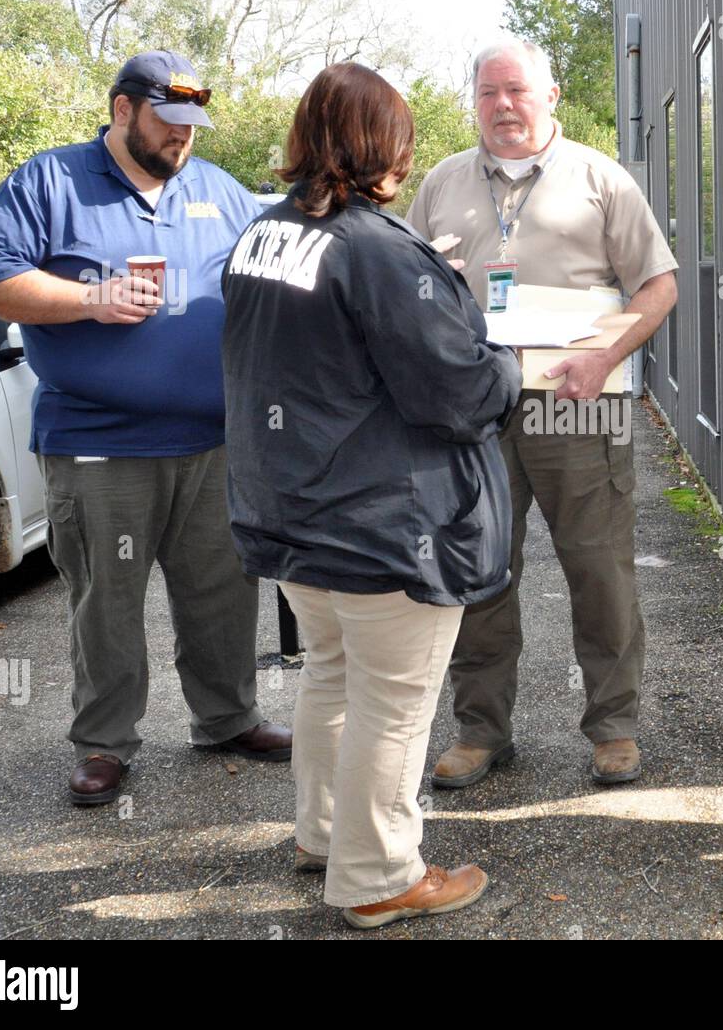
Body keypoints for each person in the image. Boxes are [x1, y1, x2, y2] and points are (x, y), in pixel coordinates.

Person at [222, 62, 522, 929]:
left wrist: (425, 285)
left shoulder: (261, 236)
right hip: (382, 524)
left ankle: (323, 834)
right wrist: (501, 356)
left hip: (290, 513)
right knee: (392, 705)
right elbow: (457, 392)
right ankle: (378, 873)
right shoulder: (379, 247)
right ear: (378, 149)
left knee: (329, 678)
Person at [0, 50, 291, 807]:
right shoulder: (50, 181)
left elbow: (282, 256)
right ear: (122, 110)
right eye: (169, 122)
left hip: (211, 443)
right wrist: (90, 299)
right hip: (99, 443)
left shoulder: (216, 189)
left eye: (193, 126)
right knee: (105, 602)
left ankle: (228, 716)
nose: (183, 140)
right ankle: (105, 744)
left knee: (223, 591)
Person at [407, 37, 678, 787]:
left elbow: (659, 287)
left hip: (577, 404)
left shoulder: (601, 179)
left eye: (518, 91)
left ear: (550, 95)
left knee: (599, 569)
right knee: (482, 568)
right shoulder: (441, 184)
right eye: (489, 92)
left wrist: (603, 357)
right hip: (474, 412)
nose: (503, 106)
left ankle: (613, 727)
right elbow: (408, 287)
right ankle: (481, 729)